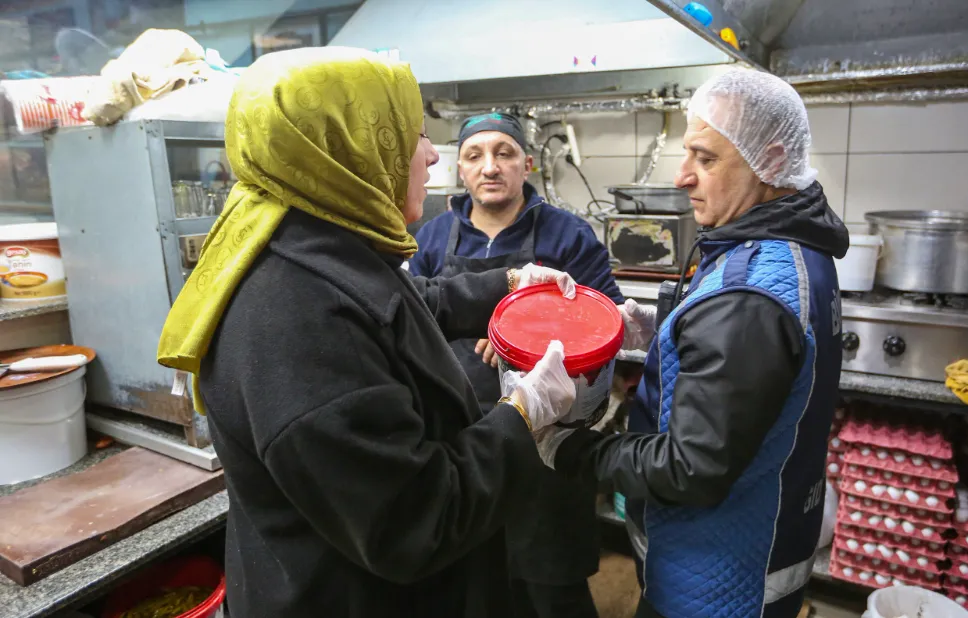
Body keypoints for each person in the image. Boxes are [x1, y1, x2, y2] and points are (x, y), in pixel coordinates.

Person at [156, 47, 582, 618]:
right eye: (414, 135)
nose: (432, 155)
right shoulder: (298, 323)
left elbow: (402, 303)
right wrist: (523, 418)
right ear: (348, 148)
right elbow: (416, 520)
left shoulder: (314, 240)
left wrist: (506, 283)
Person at [536, 68, 850, 618]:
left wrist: (566, 447)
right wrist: (664, 341)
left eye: (706, 159)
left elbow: (689, 466)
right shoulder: (792, 247)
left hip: (717, 578)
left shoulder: (748, 294)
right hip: (757, 546)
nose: (683, 177)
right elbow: (739, 382)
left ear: (771, 160)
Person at [409, 112, 623, 618]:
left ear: (527, 163)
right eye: (475, 155)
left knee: (553, 589)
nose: (490, 167)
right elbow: (409, 324)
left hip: (548, 441)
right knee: (479, 587)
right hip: (465, 441)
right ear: (458, 169)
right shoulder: (431, 238)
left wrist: (523, 337)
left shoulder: (567, 235)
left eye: (504, 153)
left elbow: (606, 321)